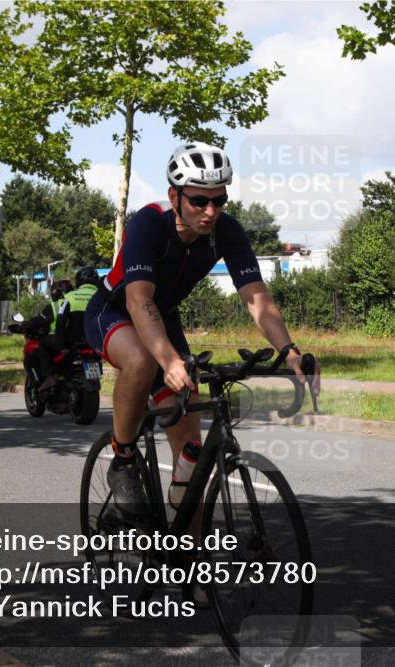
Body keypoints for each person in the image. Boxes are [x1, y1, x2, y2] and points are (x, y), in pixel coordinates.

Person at [84, 141, 321, 519]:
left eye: (219, 200)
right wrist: (169, 360)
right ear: (173, 196)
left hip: (163, 318)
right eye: (198, 201)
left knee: (191, 448)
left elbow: (256, 297)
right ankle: (124, 459)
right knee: (143, 362)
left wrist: (288, 351)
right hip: (116, 311)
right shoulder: (148, 223)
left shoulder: (226, 231)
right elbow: (139, 300)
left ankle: (184, 555)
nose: (210, 211)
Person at [20, 279, 72, 390]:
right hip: (76, 340)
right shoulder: (74, 302)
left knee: (40, 349)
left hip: (58, 340)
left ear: (54, 292)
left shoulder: (54, 307)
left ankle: (49, 377)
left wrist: (23, 327)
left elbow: (37, 321)